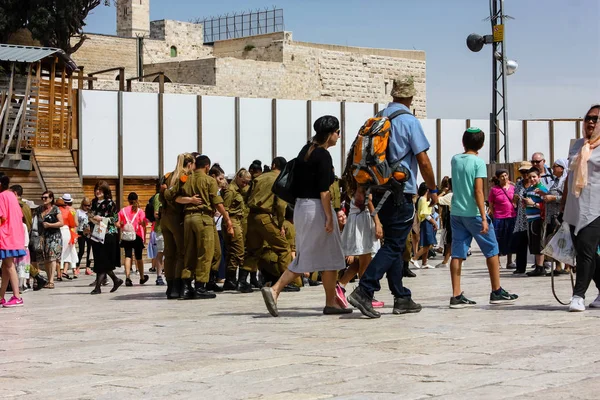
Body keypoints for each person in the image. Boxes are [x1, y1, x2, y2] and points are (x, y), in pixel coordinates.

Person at [347, 75, 437, 318]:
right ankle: (365, 290)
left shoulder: (378, 118)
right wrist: (433, 188)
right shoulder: (409, 121)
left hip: (377, 190)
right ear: (410, 96)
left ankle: (401, 297)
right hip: (400, 191)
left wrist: (360, 188)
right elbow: (423, 160)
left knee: (393, 245)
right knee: (396, 244)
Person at [261, 115, 351, 317]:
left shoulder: (306, 151)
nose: (339, 136)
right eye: (337, 132)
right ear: (330, 134)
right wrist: (329, 217)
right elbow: (324, 191)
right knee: (309, 255)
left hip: (302, 207)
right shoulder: (323, 156)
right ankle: (275, 289)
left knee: (332, 257)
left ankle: (331, 303)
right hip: (317, 208)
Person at [447, 127, 518, 308]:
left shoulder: (455, 160)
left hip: (456, 212)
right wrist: (484, 216)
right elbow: (478, 190)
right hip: (474, 213)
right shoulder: (478, 163)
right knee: (492, 249)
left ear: (463, 142)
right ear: (482, 144)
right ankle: (496, 290)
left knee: (457, 253)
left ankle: (456, 295)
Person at [174, 155, 233, 299]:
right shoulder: (209, 180)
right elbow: (217, 202)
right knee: (205, 253)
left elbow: (174, 196)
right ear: (207, 166)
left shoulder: (186, 179)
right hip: (203, 219)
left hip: (188, 218)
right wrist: (227, 219)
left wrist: (189, 200)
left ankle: (187, 287)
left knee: (190, 252)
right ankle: (200, 286)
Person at [562, 104, 600, 312]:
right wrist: (563, 205)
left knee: (585, 250)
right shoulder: (577, 145)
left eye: (596, 118)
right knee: (590, 253)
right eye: (588, 118)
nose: (591, 122)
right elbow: (570, 176)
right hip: (575, 208)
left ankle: (578, 296)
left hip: (596, 208)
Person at [242, 157, 294, 292]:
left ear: (273, 165)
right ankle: (285, 282)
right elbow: (281, 205)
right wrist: (281, 223)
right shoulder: (280, 179)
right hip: (264, 217)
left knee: (253, 249)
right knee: (283, 247)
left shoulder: (260, 178)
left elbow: (247, 196)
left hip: (251, 216)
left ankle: (242, 281)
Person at [337, 191, 383, 308]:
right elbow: (368, 199)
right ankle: (364, 295)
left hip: (360, 218)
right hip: (364, 219)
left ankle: (346, 287)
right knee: (365, 261)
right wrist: (377, 222)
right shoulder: (363, 177)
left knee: (363, 261)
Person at [161, 153, 197, 299]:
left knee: (169, 253)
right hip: (177, 218)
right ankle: (177, 286)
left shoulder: (168, 176)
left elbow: (162, 193)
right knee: (181, 253)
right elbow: (177, 198)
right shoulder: (185, 176)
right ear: (189, 164)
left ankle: (170, 287)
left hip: (165, 218)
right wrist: (191, 200)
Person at [88, 181, 123, 295]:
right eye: (96, 189)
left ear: (105, 191)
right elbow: (90, 215)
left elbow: (115, 219)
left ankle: (98, 287)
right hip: (96, 234)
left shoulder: (110, 203)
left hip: (108, 234)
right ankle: (116, 280)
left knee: (103, 260)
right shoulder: (93, 202)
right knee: (99, 260)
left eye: (100, 189)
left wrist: (102, 218)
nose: (98, 191)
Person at [10, 184, 47, 289]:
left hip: (17, 234)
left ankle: (37, 277)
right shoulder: (26, 205)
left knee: (16, 260)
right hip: (24, 233)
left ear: (15, 193)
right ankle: (37, 277)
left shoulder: (17, 205)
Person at [222, 168, 251, 292]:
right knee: (238, 251)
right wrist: (229, 225)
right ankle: (230, 279)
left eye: (247, 183)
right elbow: (225, 209)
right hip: (232, 221)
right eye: (244, 181)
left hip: (238, 220)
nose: (245, 184)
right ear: (238, 177)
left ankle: (230, 279)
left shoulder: (239, 190)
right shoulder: (231, 190)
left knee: (233, 251)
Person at [0, 175, 26, 307]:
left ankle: (17, 296)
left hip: (5, 236)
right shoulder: (11, 196)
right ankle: (1, 296)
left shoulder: (1, 196)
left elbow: (2, 217)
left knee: (9, 266)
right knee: (5, 266)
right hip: (15, 236)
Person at [541, 158, 569, 274]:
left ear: (561, 168)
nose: (552, 169)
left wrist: (553, 198)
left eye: (555, 166)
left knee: (564, 240)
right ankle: (558, 266)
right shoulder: (555, 181)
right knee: (554, 239)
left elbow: (566, 198)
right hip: (552, 216)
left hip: (561, 215)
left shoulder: (565, 182)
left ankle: (567, 266)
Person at [117, 192, 148, 286]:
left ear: (128, 200)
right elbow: (144, 223)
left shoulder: (122, 211)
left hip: (127, 236)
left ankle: (127, 277)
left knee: (128, 256)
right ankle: (142, 277)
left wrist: (122, 226)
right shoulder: (140, 211)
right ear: (137, 200)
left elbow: (118, 224)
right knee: (139, 257)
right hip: (137, 236)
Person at [488, 169, 516, 269]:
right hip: (499, 217)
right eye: (502, 176)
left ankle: (509, 261)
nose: (504, 178)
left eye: (505, 175)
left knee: (510, 238)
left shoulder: (513, 188)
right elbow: (491, 204)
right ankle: (498, 262)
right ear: (498, 178)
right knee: (498, 239)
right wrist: (494, 214)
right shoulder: (494, 190)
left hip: (511, 216)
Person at [34, 191, 64, 289]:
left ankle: (51, 281)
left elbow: (61, 223)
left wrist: (50, 225)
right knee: (46, 259)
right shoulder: (39, 210)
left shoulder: (55, 209)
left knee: (52, 258)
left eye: (46, 197)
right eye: (42, 197)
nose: (44, 199)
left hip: (54, 236)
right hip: (44, 236)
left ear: (51, 199)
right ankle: (48, 279)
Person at [523, 168, 549, 277]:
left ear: (539, 177)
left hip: (538, 219)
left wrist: (533, 204)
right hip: (530, 219)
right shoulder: (530, 189)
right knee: (534, 243)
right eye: (530, 177)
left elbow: (546, 206)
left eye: (534, 177)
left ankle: (540, 267)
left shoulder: (542, 189)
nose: (532, 179)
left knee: (539, 243)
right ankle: (538, 266)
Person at [510, 161, 533, 274]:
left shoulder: (534, 183)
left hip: (533, 215)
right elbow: (514, 202)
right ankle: (520, 266)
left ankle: (540, 265)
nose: (525, 174)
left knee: (534, 242)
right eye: (522, 172)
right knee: (521, 243)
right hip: (521, 218)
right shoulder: (518, 184)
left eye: (526, 171)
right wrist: (514, 200)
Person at [411, 183, 437, 269]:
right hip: (426, 222)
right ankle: (415, 258)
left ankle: (424, 262)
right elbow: (426, 215)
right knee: (427, 244)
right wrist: (434, 223)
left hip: (428, 222)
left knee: (427, 243)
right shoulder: (422, 199)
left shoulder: (425, 199)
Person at [58, 195, 79, 280]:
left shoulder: (59, 210)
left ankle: (62, 270)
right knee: (71, 250)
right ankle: (73, 270)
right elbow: (76, 224)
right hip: (71, 231)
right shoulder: (72, 210)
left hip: (61, 230)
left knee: (62, 251)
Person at [436, 178, 453, 268]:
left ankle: (445, 261)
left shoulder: (450, 195)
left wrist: (442, 192)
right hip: (463, 218)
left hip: (452, 219)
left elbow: (436, 200)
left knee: (449, 241)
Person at [75, 198, 93, 276]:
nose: (87, 207)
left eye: (88, 205)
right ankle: (77, 266)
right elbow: (76, 223)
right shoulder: (78, 212)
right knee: (81, 250)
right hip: (81, 231)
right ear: (82, 205)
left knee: (89, 249)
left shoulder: (91, 212)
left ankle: (88, 267)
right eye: (85, 205)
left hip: (89, 232)